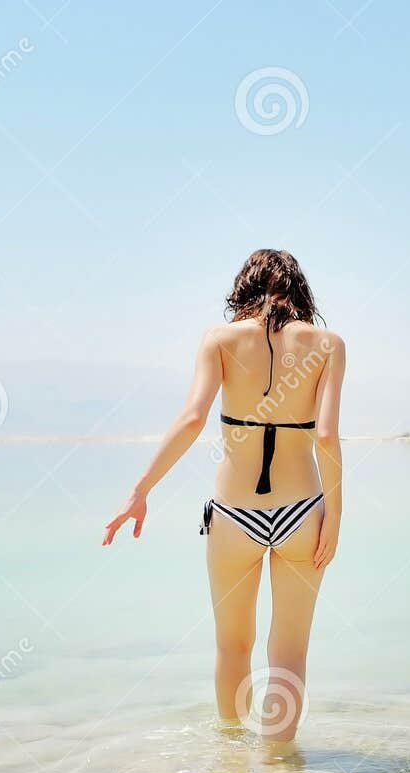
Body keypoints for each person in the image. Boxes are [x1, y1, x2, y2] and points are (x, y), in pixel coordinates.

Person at [103, 250, 345, 741]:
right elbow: (325, 437)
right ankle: (280, 772)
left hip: (235, 515)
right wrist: (334, 517)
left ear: (244, 287)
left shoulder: (219, 340)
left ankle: (232, 764)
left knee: (232, 647)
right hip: (303, 512)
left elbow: (192, 419)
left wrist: (140, 490)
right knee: (290, 652)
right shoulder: (329, 345)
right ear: (300, 291)